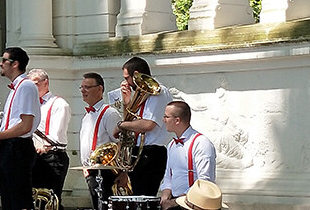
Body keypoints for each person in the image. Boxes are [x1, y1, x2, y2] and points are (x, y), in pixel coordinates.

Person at [0, 47, 39, 210]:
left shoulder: (26, 86)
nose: (0, 64)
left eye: (4, 60)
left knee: (18, 200)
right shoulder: (17, 87)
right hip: (11, 147)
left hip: (18, 148)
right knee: (9, 199)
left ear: (15, 64)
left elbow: (25, 125)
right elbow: (16, 122)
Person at [111, 56, 170, 196]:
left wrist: (120, 126)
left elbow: (148, 124)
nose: (126, 82)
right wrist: (126, 102)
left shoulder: (159, 92)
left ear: (136, 75)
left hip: (151, 153)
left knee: (144, 196)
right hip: (138, 152)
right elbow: (131, 120)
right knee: (135, 196)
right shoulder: (140, 94)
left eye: (127, 78)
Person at [158, 101, 216, 209]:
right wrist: (165, 197)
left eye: (166, 117)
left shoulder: (201, 143)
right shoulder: (171, 145)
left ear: (177, 120)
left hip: (196, 205)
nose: (163, 120)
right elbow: (168, 176)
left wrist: (177, 201)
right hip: (176, 203)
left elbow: (205, 182)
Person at [78, 73, 119, 210]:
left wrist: (123, 173)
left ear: (100, 89)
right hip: (90, 171)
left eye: (87, 87)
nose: (83, 91)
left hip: (106, 171)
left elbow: (120, 144)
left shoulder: (109, 113)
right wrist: (85, 167)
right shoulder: (87, 115)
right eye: (82, 87)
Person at [29, 68, 71, 200]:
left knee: (50, 199)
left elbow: (57, 134)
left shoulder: (59, 104)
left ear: (45, 83)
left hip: (52, 157)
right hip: (34, 157)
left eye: (35, 84)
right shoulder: (31, 104)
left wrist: (44, 146)